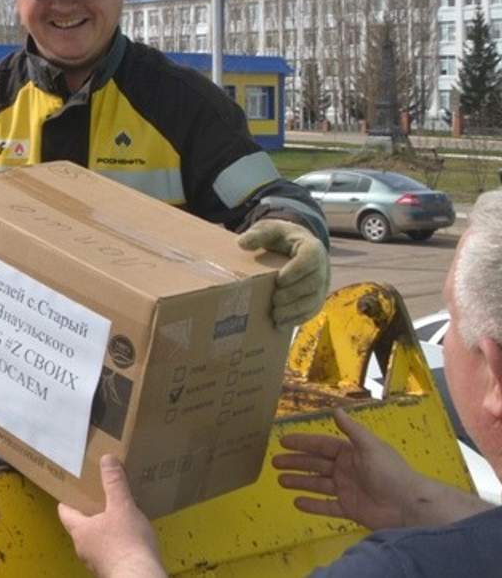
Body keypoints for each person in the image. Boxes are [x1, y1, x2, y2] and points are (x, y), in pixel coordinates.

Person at [0, 0, 330, 333]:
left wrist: (296, 230)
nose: (63, 5)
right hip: (7, 371)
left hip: (154, 374)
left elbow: (270, 200)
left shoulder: (187, 108)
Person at [58, 190, 502, 577]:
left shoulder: (400, 569)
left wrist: (127, 562)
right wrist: (413, 503)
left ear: (494, 372)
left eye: (452, 317)